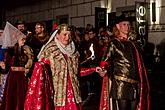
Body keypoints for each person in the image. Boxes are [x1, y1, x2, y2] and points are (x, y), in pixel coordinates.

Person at [24, 24, 102, 110]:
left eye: (69, 35)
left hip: (74, 95)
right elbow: (41, 73)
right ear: (57, 35)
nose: (67, 37)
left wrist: (93, 69)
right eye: (64, 34)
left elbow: (77, 71)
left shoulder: (74, 52)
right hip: (58, 96)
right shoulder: (50, 51)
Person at [98, 15, 150, 110]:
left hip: (135, 83)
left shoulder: (134, 43)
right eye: (124, 24)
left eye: (128, 24)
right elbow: (105, 60)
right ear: (118, 26)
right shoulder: (114, 43)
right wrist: (103, 69)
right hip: (120, 84)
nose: (127, 27)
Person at [0, 35, 33, 110]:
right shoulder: (11, 51)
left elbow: (30, 63)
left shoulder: (27, 50)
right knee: (12, 95)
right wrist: (3, 66)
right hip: (13, 76)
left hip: (23, 76)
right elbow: (7, 66)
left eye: (24, 39)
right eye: (22, 40)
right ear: (17, 40)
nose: (24, 41)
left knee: (22, 95)